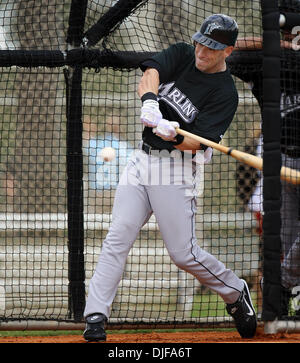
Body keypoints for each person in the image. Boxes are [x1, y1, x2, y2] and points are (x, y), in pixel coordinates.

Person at [83, 14, 257, 342]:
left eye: (211, 48)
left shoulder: (225, 94)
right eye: (200, 43)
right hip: (140, 161)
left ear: (228, 52)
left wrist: (174, 135)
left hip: (176, 169)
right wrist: (150, 104)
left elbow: (198, 143)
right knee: (117, 238)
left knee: (183, 254)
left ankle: (235, 290)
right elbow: (150, 74)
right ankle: (96, 315)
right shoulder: (181, 54)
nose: (202, 52)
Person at [233, 0, 300, 317]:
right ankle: (279, 303)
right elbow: (231, 49)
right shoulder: (268, 60)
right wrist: (278, 43)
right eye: (285, 31)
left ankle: (282, 284)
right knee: (283, 241)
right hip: (284, 164)